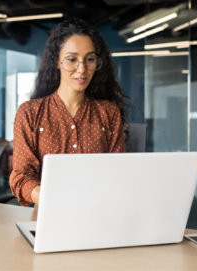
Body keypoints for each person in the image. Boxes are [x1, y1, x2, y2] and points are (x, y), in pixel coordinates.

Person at [9, 18, 129, 206]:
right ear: (56, 61)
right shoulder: (30, 113)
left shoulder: (109, 113)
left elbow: (118, 173)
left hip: (99, 214)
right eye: (72, 59)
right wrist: (49, 197)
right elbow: (21, 177)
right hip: (48, 216)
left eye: (89, 59)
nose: (82, 69)